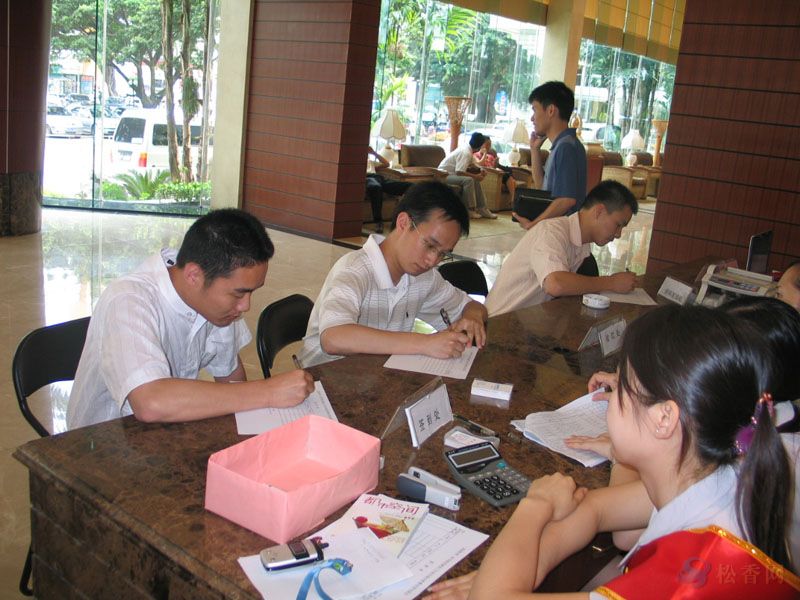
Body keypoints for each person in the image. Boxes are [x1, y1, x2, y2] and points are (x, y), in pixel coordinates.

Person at [427, 305, 800, 599]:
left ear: (664, 418)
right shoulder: (717, 473)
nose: (608, 397)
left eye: (622, 388)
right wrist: (516, 567)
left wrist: (535, 504)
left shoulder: (687, 580)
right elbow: (596, 508)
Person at [67, 209, 315, 429]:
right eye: (239, 293)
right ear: (194, 276)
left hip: (167, 431)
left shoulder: (218, 307)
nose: (245, 306)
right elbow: (150, 402)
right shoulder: (128, 300)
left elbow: (230, 377)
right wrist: (267, 392)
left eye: (252, 292)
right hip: (101, 444)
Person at [299, 181, 488, 367]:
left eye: (442, 254)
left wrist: (472, 317)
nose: (432, 261)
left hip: (376, 375)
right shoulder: (354, 270)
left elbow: (471, 306)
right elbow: (333, 338)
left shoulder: (423, 277)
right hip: (322, 378)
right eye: (430, 245)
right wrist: (424, 343)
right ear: (403, 222)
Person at [485, 180, 638, 316]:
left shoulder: (582, 243)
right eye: (618, 225)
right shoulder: (551, 231)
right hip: (498, 324)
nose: (618, 234)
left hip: (528, 322)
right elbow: (555, 284)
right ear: (599, 211)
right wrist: (611, 282)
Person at [513, 81, 587, 231]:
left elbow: (567, 200)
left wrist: (533, 225)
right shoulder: (561, 145)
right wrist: (535, 150)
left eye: (535, 110)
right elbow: (542, 187)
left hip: (561, 232)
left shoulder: (566, 147)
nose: (532, 118)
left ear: (551, 110)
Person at [438, 132, 497, 220]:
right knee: (469, 180)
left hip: (450, 174)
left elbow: (473, 163)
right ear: (479, 146)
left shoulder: (468, 149)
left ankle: (482, 208)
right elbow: (459, 171)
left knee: (473, 179)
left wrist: (481, 169)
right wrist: (476, 176)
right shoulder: (466, 152)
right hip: (443, 176)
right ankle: (469, 210)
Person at [365, 145, 413, 233]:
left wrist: (374, 153)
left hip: (379, 178)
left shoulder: (370, 162)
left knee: (410, 186)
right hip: (368, 178)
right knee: (376, 187)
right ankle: (378, 221)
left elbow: (386, 164)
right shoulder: (355, 163)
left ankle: (404, 216)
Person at [473, 136, 517, 201]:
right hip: (486, 175)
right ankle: (513, 199)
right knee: (508, 177)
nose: (489, 147)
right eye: (487, 144)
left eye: (490, 145)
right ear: (481, 144)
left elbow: (493, 168)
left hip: (495, 175)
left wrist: (496, 163)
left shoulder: (490, 156)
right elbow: (479, 165)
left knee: (510, 179)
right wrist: (484, 154)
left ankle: (512, 199)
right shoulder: (475, 155)